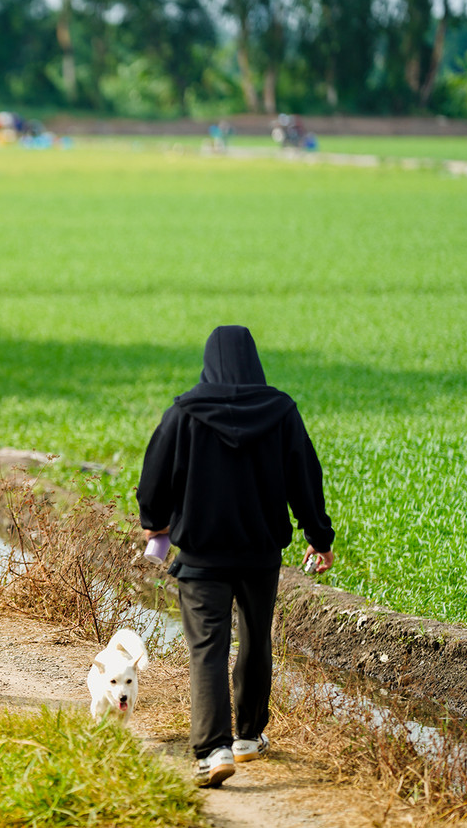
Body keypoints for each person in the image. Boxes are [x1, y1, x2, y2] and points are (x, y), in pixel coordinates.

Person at [137, 325, 335, 788]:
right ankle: (248, 736)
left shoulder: (184, 412)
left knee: (208, 647)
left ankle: (213, 750)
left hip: (201, 556)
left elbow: (154, 476)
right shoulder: (281, 411)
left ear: (209, 361)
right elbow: (306, 478)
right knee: (255, 639)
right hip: (260, 553)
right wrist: (319, 536)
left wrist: (155, 521)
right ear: (254, 360)